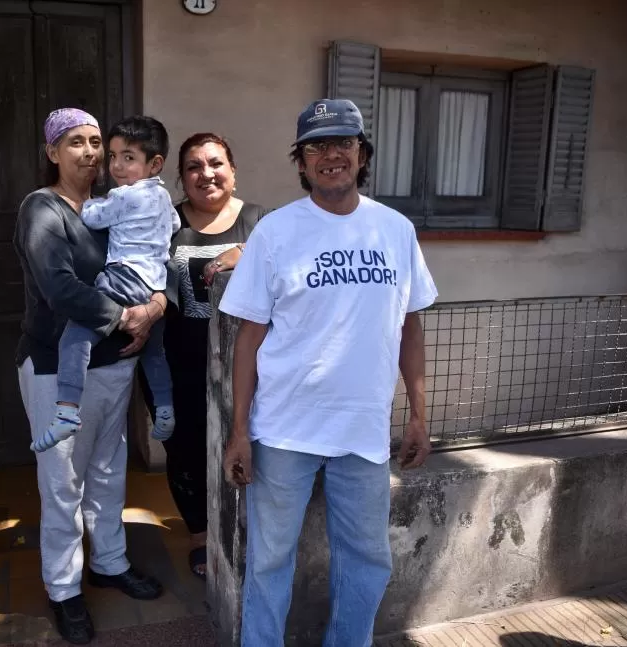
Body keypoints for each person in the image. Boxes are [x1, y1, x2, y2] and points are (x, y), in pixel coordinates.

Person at [218, 99, 438, 646]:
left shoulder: (395, 229)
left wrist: (418, 414)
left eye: (343, 143)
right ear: (301, 162)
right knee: (268, 563)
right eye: (316, 146)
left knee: (366, 563)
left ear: (362, 154)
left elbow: (410, 328)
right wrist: (239, 431)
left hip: (362, 432)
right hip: (283, 431)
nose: (330, 155)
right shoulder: (275, 232)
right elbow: (249, 339)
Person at [14, 107, 168, 645]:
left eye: (97, 141)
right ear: (53, 152)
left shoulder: (118, 206)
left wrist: (157, 304)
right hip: (58, 370)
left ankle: (109, 562)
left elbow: (148, 263)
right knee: (62, 485)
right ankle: (63, 589)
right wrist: (127, 317)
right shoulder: (43, 210)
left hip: (113, 365)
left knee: (107, 473)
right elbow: (60, 289)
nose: (91, 152)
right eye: (76, 141)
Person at [146, 133, 270, 580]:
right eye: (194, 167)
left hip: (250, 363)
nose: (207, 174)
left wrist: (245, 252)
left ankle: (244, 526)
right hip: (179, 361)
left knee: (245, 441)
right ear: (182, 178)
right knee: (185, 449)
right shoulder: (167, 224)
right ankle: (199, 536)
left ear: (233, 170)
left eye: (216, 163)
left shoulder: (259, 222)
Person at [37, 116, 181, 453]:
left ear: (154, 163)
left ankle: (67, 410)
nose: (115, 165)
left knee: (75, 337)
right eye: (114, 156)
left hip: (124, 278)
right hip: (152, 281)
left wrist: (90, 204)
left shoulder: (124, 197)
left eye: (127, 158)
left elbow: (91, 217)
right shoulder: (162, 198)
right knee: (154, 351)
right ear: (52, 153)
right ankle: (164, 408)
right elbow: (173, 224)